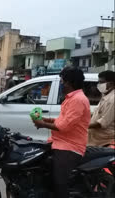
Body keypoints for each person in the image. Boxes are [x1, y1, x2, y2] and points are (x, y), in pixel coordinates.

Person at [32, 67, 90, 198]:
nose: (61, 84)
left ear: (69, 82)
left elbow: (64, 126)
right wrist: (47, 120)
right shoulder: (71, 98)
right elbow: (63, 120)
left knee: (59, 183)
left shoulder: (78, 100)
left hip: (70, 147)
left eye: (62, 81)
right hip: (59, 143)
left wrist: (42, 124)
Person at [88, 70, 115, 147]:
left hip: (104, 142)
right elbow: (99, 113)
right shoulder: (106, 96)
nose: (99, 85)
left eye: (101, 82)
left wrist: (84, 126)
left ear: (111, 83)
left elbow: (102, 122)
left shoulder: (113, 99)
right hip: (96, 140)